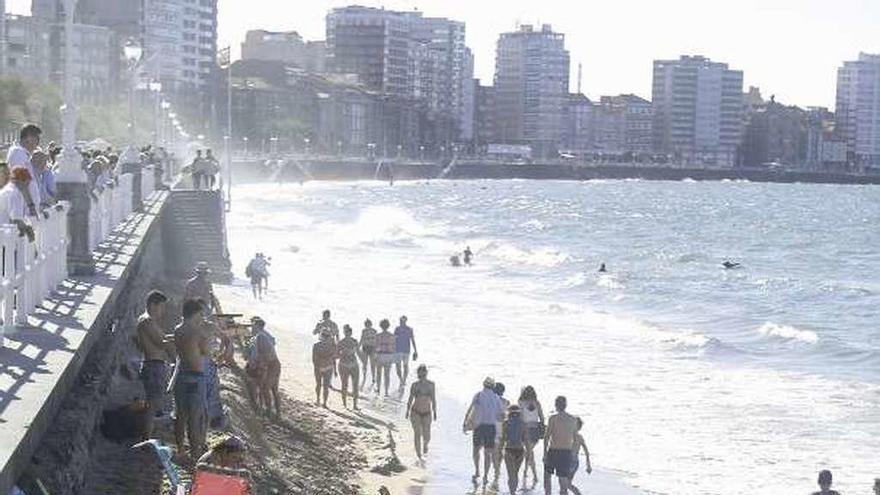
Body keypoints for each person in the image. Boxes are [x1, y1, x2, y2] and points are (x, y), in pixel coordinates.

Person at [172, 299, 211, 461]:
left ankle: (180, 449)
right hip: (195, 378)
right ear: (195, 313)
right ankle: (195, 454)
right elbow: (207, 352)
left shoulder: (177, 329)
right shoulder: (197, 332)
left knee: (180, 415)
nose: (202, 317)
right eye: (201, 314)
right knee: (195, 418)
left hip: (181, 375)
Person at [134, 290, 173, 437]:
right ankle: (146, 438)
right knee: (153, 405)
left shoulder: (148, 321)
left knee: (154, 403)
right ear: (152, 304)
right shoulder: (147, 321)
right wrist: (183, 336)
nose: (163, 311)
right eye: (161, 307)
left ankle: (147, 436)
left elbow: (162, 338)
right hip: (153, 365)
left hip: (153, 364)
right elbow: (161, 342)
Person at [462, 377, 505, 485]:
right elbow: (501, 415)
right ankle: (485, 475)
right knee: (488, 453)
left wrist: (465, 423)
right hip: (491, 427)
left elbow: (470, 409)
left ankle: (477, 470)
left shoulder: (478, 395)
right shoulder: (496, 398)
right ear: (493, 386)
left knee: (476, 450)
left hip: (479, 427)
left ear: (484, 384)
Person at [543, 396, 578, 495]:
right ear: (566, 405)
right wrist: (574, 453)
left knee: (547, 478)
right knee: (563, 482)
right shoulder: (573, 419)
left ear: (556, 405)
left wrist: (545, 453)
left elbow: (546, 437)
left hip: (554, 451)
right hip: (566, 452)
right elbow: (576, 439)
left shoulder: (553, 418)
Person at [246, 316, 281, 416]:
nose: (251, 328)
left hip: (271, 365)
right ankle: (268, 409)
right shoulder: (256, 336)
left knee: (268, 388)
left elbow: (268, 354)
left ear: (258, 326)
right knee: (264, 387)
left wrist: (261, 365)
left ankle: (270, 411)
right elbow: (250, 351)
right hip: (267, 364)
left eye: (253, 326)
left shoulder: (261, 336)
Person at [5, 124, 42, 214]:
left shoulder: (22, 154)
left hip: (25, 207)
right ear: (29, 138)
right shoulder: (18, 153)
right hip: (23, 208)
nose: (38, 144)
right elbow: (21, 181)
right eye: (37, 139)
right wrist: (31, 205)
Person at [405, 364, 436, 460]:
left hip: (427, 412)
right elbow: (410, 398)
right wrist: (407, 410)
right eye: (420, 372)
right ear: (418, 373)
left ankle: (425, 445)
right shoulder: (415, 385)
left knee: (427, 436)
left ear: (426, 373)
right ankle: (419, 456)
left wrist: (435, 411)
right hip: (415, 412)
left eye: (424, 372)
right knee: (417, 434)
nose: (422, 374)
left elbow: (433, 399)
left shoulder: (431, 385)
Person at [519, 385, 546, 485]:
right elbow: (542, 418)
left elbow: (520, 418)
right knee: (529, 452)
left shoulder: (521, 403)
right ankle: (526, 471)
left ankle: (534, 475)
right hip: (535, 431)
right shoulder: (537, 403)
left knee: (529, 452)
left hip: (525, 430)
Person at [499, 404, 527, 495]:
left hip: (509, 449)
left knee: (511, 475)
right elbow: (526, 439)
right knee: (515, 474)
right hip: (520, 450)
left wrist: (499, 451)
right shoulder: (523, 423)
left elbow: (503, 438)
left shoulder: (506, 423)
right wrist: (529, 453)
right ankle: (513, 492)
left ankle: (512, 492)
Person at [491, 382, 511, 487]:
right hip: (503, 428)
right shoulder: (506, 402)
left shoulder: (491, 401)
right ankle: (497, 469)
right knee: (499, 451)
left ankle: (496, 471)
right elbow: (506, 416)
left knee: (493, 452)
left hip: (493, 427)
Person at [312, 328, 337, 408]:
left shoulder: (331, 346)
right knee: (319, 385)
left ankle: (324, 402)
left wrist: (335, 370)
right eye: (324, 335)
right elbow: (314, 359)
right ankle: (319, 399)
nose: (325, 337)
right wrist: (317, 366)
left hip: (327, 367)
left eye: (327, 336)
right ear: (321, 336)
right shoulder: (316, 346)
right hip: (322, 367)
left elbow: (334, 359)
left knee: (324, 386)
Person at [566, 417, 593, 495]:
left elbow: (586, 452)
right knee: (567, 484)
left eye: (573, 423)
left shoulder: (578, 437)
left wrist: (588, 465)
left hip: (572, 462)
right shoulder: (571, 435)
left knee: (566, 483)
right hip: (570, 461)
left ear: (577, 427)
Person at [337, 324, 361, 410]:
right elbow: (336, 355)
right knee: (345, 384)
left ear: (351, 333)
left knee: (355, 385)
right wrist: (344, 353)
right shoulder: (341, 342)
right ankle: (345, 404)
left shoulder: (354, 341)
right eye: (346, 333)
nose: (347, 334)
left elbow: (358, 353)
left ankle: (354, 405)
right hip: (344, 365)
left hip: (353, 364)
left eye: (349, 333)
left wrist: (364, 362)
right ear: (344, 333)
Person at [394, 316, 418, 388]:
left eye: (402, 321)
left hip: (401, 350)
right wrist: (415, 350)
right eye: (401, 321)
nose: (401, 322)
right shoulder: (406, 329)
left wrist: (415, 350)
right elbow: (412, 340)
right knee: (403, 366)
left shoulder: (399, 329)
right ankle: (402, 380)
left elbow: (394, 339)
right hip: (404, 350)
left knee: (401, 366)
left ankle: (402, 380)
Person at [374, 319, 396, 397]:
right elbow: (394, 348)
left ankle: (378, 389)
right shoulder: (392, 336)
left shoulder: (378, 336)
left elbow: (375, 347)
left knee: (379, 374)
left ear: (381, 326)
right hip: (388, 356)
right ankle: (386, 391)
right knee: (387, 375)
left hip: (380, 355)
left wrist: (375, 356)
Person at [359, 319, 378, 391]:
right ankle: (364, 376)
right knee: (365, 364)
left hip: (372, 348)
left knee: (372, 364)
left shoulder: (374, 331)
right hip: (365, 348)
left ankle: (373, 378)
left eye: (368, 324)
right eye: (366, 324)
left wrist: (377, 350)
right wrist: (358, 346)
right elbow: (362, 339)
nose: (368, 326)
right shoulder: (364, 331)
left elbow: (376, 341)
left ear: (371, 324)